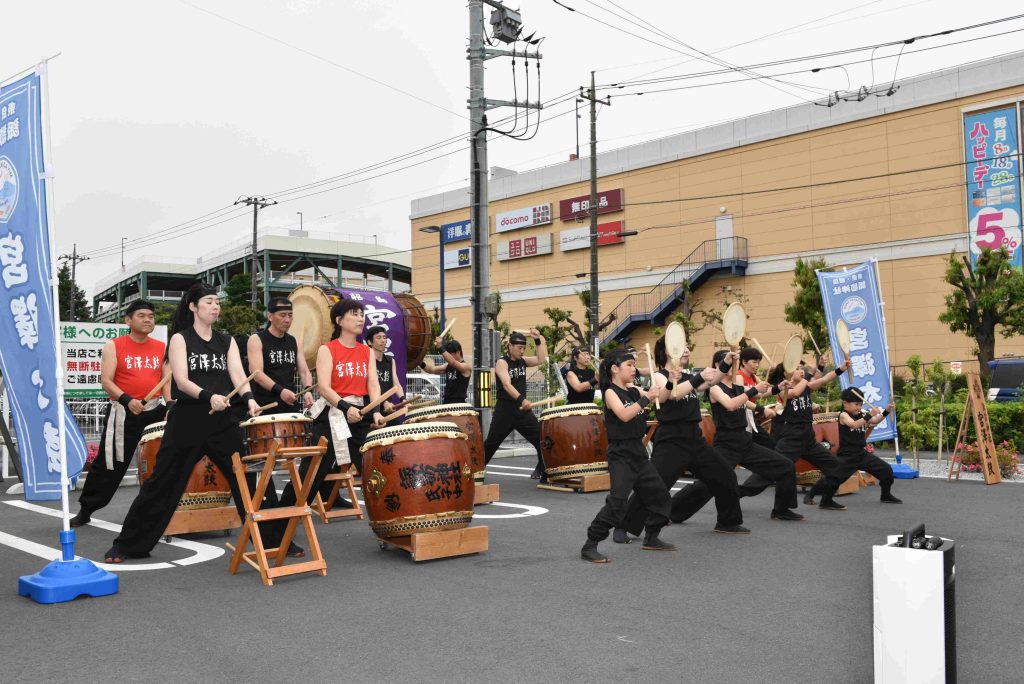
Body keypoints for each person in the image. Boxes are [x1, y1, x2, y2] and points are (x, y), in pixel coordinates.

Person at [103, 283, 259, 563]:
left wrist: (249, 399)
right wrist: (209, 396)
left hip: (222, 421)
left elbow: (238, 374)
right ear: (193, 306)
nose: (215, 306)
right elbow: (182, 380)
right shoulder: (180, 339)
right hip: (188, 419)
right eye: (209, 301)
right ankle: (128, 545)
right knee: (163, 482)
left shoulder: (227, 340)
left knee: (246, 477)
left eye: (217, 302)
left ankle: (274, 538)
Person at [618, 339, 749, 539]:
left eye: (688, 346)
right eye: (682, 347)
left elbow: (712, 381)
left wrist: (726, 363)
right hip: (672, 439)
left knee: (725, 475)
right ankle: (624, 526)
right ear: (667, 351)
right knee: (655, 486)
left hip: (694, 438)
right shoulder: (660, 376)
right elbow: (674, 394)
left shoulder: (689, 376)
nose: (687, 350)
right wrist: (698, 378)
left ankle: (728, 522)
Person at [672, 350, 803, 523]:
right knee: (710, 483)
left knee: (785, 466)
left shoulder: (738, 382)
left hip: (745, 441)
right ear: (719, 365)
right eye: (730, 363)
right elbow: (731, 404)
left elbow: (756, 394)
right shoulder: (714, 387)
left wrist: (778, 388)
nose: (734, 366)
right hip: (726, 444)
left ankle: (781, 510)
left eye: (735, 362)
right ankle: (672, 511)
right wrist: (753, 390)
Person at [70, 300, 169, 527]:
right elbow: (106, 381)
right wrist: (127, 400)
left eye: (151, 316)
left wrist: (171, 404)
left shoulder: (161, 347)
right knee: (110, 464)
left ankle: (158, 511)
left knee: (161, 460)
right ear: (128, 320)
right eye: (142, 316)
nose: (147, 320)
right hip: (123, 412)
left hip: (154, 411)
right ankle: (87, 508)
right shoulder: (114, 345)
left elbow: (166, 380)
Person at [581, 349, 674, 563]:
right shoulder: (610, 392)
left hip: (638, 452)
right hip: (620, 454)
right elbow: (624, 415)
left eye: (634, 365)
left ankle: (652, 537)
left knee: (660, 496)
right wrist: (646, 398)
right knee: (618, 502)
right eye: (629, 365)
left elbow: (661, 397)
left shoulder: (634, 390)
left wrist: (670, 382)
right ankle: (590, 545)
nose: (634, 369)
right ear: (615, 368)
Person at [761, 357, 852, 511]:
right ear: (786, 374)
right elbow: (795, 392)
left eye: (801, 368)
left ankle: (826, 500)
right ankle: (741, 491)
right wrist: (810, 373)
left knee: (837, 467)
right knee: (775, 469)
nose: (801, 370)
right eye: (797, 368)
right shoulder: (783, 390)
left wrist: (842, 368)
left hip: (808, 437)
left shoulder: (806, 385)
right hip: (791, 437)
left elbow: (824, 379)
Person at [804, 389, 902, 507]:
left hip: (861, 454)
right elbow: (854, 424)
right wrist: (869, 414)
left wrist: (886, 411)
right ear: (845, 403)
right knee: (833, 477)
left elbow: (875, 421)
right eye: (856, 404)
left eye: (860, 404)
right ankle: (820, 498)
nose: (859, 407)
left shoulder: (862, 414)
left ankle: (886, 495)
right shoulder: (844, 415)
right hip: (847, 455)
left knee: (886, 470)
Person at [482, 329, 547, 479]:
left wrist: (537, 340)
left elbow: (541, 359)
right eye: (519, 348)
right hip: (505, 410)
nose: (522, 351)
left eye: (524, 348)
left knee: (541, 439)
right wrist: (522, 399)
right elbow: (506, 385)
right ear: (510, 346)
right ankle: (475, 472)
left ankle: (542, 470)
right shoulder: (502, 362)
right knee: (491, 444)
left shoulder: (523, 361)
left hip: (522, 412)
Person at [247, 297, 313, 416]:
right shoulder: (256, 340)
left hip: (290, 406)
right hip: (265, 407)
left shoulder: (294, 341)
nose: (287, 320)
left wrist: (307, 390)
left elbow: (304, 371)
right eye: (282, 315)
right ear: (270, 316)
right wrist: (280, 391)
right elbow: (257, 374)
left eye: (290, 315)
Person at [421, 336, 471, 404]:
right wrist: (419, 362)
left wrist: (440, 347)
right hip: (447, 403)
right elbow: (432, 369)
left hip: (458, 404)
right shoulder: (448, 366)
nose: (447, 358)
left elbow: (453, 362)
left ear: (458, 352)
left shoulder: (466, 367)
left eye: (450, 355)